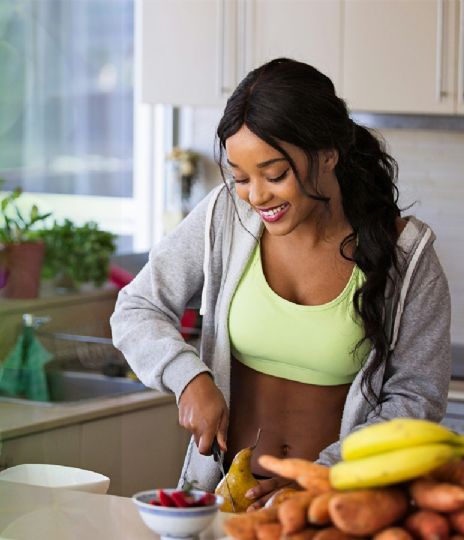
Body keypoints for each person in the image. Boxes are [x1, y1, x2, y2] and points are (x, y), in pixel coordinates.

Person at [111, 58, 452, 509]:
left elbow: (415, 398)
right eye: (240, 177)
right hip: (224, 502)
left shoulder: (406, 254)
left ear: (328, 154)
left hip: (333, 508)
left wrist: (320, 479)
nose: (256, 196)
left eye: (274, 175)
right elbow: (136, 308)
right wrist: (189, 377)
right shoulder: (225, 216)